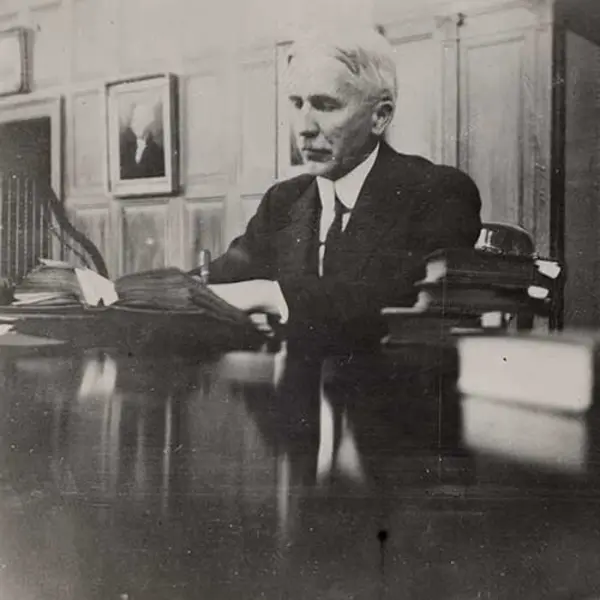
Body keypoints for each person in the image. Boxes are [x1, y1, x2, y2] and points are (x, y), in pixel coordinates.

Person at [193, 28, 482, 345]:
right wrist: (154, 291)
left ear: (380, 117)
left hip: (390, 388)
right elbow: (218, 278)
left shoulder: (437, 191)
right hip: (292, 388)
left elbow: (393, 299)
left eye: (325, 105)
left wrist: (267, 293)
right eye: (297, 103)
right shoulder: (284, 200)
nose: (303, 128)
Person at [120, 101, 165, 180]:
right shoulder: (128, 144)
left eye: (137, 120)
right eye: (134, 120)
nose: (133, 124)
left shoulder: (153, 150)